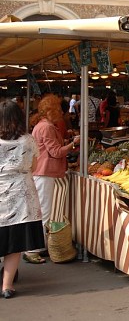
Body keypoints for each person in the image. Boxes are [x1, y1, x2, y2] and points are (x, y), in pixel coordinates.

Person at [0, 100, 46, 298]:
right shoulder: (28, 140)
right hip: (21, 196)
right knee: (14, 243)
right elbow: (33, 167)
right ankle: (7, 286)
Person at [29, 94, 80, 264]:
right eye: (57, 109)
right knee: (44, 211)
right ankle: (33, 250)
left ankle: (40, 246)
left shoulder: (42, 126)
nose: (60, 112)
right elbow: (56, 152)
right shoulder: (47, 127)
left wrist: (65, 141)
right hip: (45, 172)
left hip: (41, 171)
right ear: (50, 110)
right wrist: (73, 143)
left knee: (41, 210)